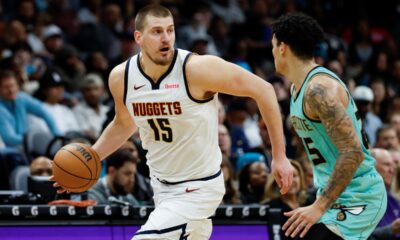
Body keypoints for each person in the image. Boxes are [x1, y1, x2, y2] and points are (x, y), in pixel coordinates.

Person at [53, 5, 293, 239]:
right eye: (157, 31)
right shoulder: (122, 77)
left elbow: (264, 90)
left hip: (200, 187)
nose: (166, 38)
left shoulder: (198, 69)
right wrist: (88, 160)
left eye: (170, 30)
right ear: (139, 37)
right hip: (161, 187)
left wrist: (279, 156)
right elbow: (124, 123)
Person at [271, 13, 386, 240]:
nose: (272, 52)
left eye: (273, 46)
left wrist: (319, 206)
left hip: (359, 194)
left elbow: (353, 152)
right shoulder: (298, 88)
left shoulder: (318, 89)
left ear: (283, 47)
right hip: (333, 194)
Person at [0, 70, 60, 147]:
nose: (11, 90)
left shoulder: (22, 98)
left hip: (26, 146)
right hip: (9, 151)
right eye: (6, 87)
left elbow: (45, 112)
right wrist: (35, 140)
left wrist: (57, 135)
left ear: (17, 86)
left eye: (12, 85)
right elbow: (10, 139)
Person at [370, 148, 400, 240]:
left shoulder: (391, 197)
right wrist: (391, 229)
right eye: (386, 165)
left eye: (393, 165)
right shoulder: (361, 198)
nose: (392, 170)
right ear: (371, 166)